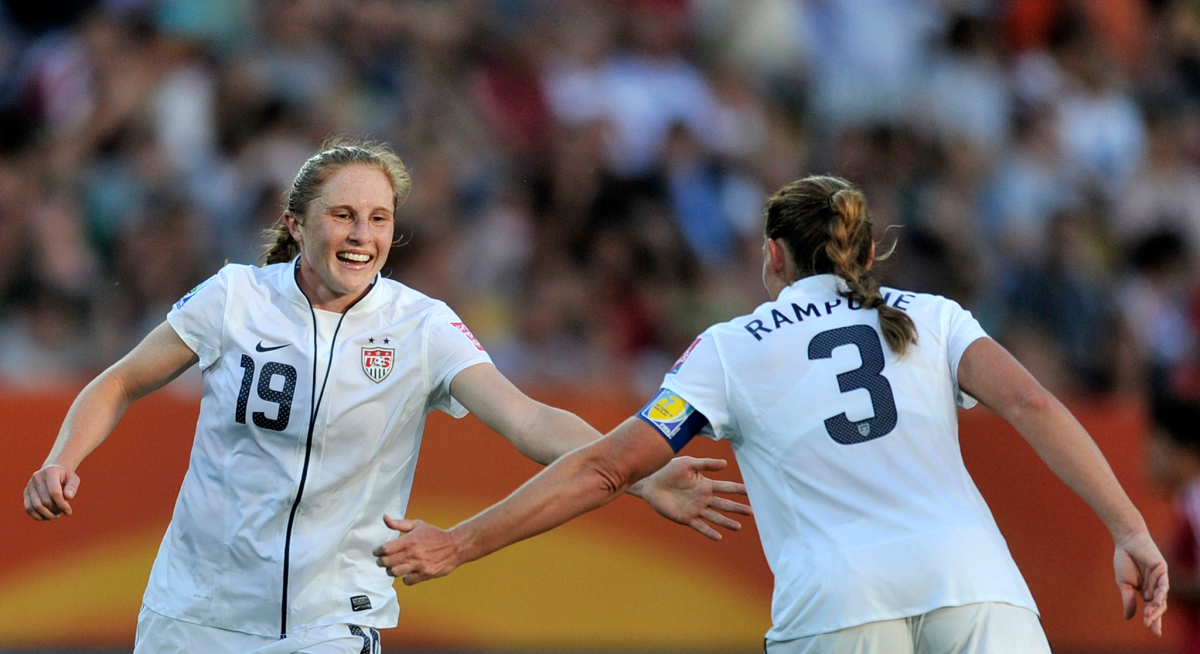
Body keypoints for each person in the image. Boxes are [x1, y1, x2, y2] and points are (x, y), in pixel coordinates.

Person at [377, 175, 1171, 653]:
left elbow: (606, 467)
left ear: (774, 256)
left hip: (838, 603)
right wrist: (1129, 529)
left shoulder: (731, 347)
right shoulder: (931, 315)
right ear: (864, 254)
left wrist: (463, 542)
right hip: (974, 583)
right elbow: (1033, 402)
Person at [22, 141, 751, 654]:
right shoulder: (233, 296)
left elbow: (527, 418)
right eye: (343, 215)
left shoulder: (422, 325)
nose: (362, 235)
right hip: (193, 611)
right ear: (296, 223)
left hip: (330, 619)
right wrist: (62, 458)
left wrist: (640, 472)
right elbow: (119, 381)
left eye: (379, 219)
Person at [1147, 394, 1200, 654]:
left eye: (1158, 445)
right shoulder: (1188, 503)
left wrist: (1160, 578)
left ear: (1188, 450)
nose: (1148, 458)